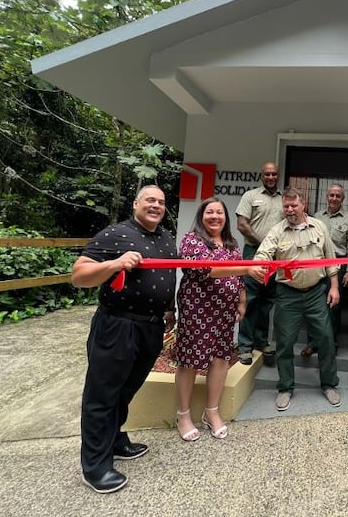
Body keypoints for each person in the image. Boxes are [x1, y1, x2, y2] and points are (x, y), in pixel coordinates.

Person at [71, 184, 177, 493]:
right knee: (101, 397)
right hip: (118, 326)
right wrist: (115, 264)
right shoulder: (115, 234)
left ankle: (115, 440)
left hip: (151, 327)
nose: (156, 205)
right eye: (150, 200)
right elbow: (79, 276)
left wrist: (169, 309)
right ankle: (95, 466)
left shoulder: (166, 238)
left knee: (125, 391)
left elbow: (163, 278)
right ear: (136, 203)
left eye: (160, 201)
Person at [174, 197, 265, 441]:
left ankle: (211, 412)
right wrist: (246, 268)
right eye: (210, 212)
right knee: (190, 360)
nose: (215, 216)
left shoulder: (231, 243)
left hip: (225, 311)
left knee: (220, 359)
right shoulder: (191, 240)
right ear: (201, 216)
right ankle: (183, 415)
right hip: (197, 309)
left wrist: (242, 299)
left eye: (220, 213)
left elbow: (237, 277)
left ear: (226, 217)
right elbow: (206, 269)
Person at [253, 187, 342, 411]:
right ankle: (285, 388)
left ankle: (330, 384)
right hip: (287, 295)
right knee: (284, 343)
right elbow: (263, 253)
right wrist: (260, 264)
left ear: (303, 205)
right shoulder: (277, 231)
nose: (290, 210)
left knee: (325, 339)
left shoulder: (319, 226)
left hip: (316, 293)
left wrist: (334, 288)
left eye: (294, 205)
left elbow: (330, 259)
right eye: (286, 206)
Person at [235, 162, 284, 365]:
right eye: (267, 174)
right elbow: (242, 224)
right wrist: (264, 244)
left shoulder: (284, 199)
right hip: (253, 252)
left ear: (278, 176)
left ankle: (261, 341)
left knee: (267, 300)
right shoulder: (251, 196)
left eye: (274, 174)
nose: (271, 177)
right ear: (261, 175)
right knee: (251, 298)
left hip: (278, 257)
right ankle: (245, 346)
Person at [304, 183, 348, 356]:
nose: (334, 198)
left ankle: (331, 343)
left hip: (339, 264)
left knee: (333, 306)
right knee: (315, 304)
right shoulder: (317, 217)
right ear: (327, 197)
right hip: (317, 264)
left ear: (342, 199)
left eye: (338, 196)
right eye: (331, 195)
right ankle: (313, 343)